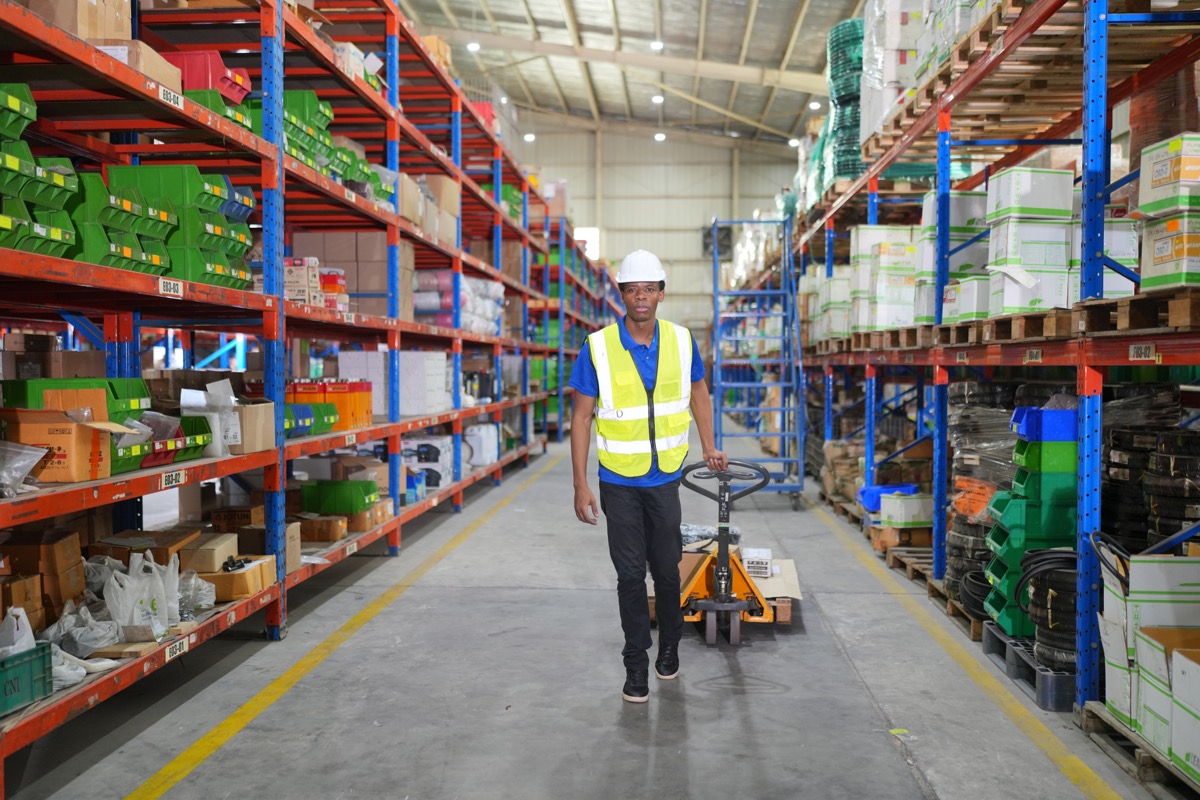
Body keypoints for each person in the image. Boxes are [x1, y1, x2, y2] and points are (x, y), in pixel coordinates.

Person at [568, 248, 728, 704]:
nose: (641, 297)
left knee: (668, 572)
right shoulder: (596, 347)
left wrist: (709, 444)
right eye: (632, 289)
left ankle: (670, 650)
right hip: (618, 480)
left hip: (665, 478)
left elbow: (699, 393)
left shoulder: (680, 341)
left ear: (661, 293)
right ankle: (635, 664)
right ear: (621, 294)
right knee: (629, 576)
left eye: (649, 289)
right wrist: (581, 484)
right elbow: (581, 419)